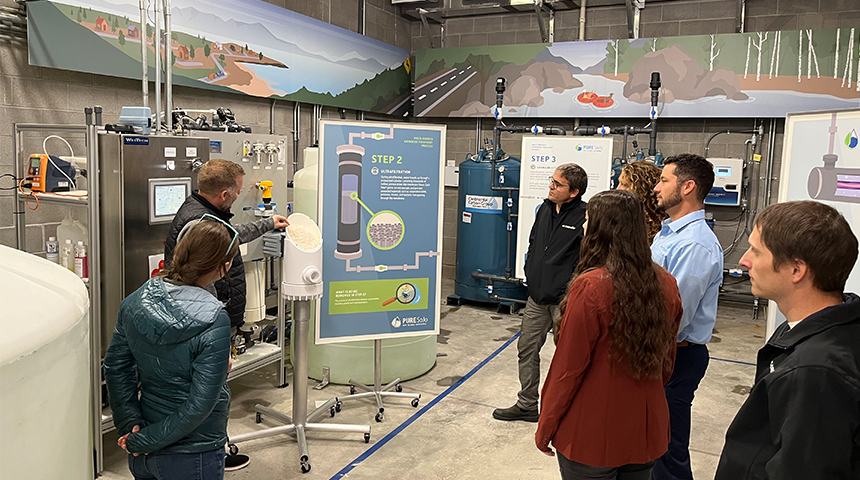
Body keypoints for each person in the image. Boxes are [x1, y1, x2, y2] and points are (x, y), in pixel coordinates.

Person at [535, 190, 683, 480]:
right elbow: (667, 361)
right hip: (644, 429)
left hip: (591, 433)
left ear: (602, 230)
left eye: (588, 220)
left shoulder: (591, 287)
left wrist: (546, 425)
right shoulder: (666, 283)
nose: (583, 227)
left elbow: (567, 369)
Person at [715, 201, 860, 480]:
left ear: (797, 270)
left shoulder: (815, 372)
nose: (744, 260)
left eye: (756, 251)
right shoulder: (819, 327)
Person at [104, 217, 239, 480]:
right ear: (223, 267)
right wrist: (145, 440)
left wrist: (131, 426)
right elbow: (200, 405)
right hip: (193, 453)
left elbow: (116, 367)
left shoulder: (135, 302)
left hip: (142, 447)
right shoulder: (214, 320)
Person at [493, 163, 588, 423]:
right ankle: (527, 404)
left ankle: (566, 409)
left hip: (565, 301)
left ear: (574, 192)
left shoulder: (585, 215)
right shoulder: (545, 209)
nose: (551, 186)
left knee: (569, 357)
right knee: (526, 348)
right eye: (552, 181)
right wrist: (530, 272)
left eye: (558, 184)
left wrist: (571, 287)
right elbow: (534, 242)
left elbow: (587, 258)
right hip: (536, 296)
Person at [650, 154, 723, 480]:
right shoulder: (669, 234)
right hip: (663, 353)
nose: (656, 187)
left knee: (667, 451)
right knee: (654, 444)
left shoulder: (694, 245)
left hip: (675, 357)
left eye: (664, 180)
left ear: (688, 186)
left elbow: (673, 319)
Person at [166, 158, 289, 335]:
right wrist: (216, 322)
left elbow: (230, 232)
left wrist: (268, 223)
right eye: (238, 192)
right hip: (207, 323)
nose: (239, 196)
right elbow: (201, 281)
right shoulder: (199, 224)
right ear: (224, 195)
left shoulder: (201, 210)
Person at [617, 160, 667, 239]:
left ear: (641, 190)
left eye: (624, 185)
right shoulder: (623, 218)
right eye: (619, 183)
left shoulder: (662, 226)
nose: (618, 189)